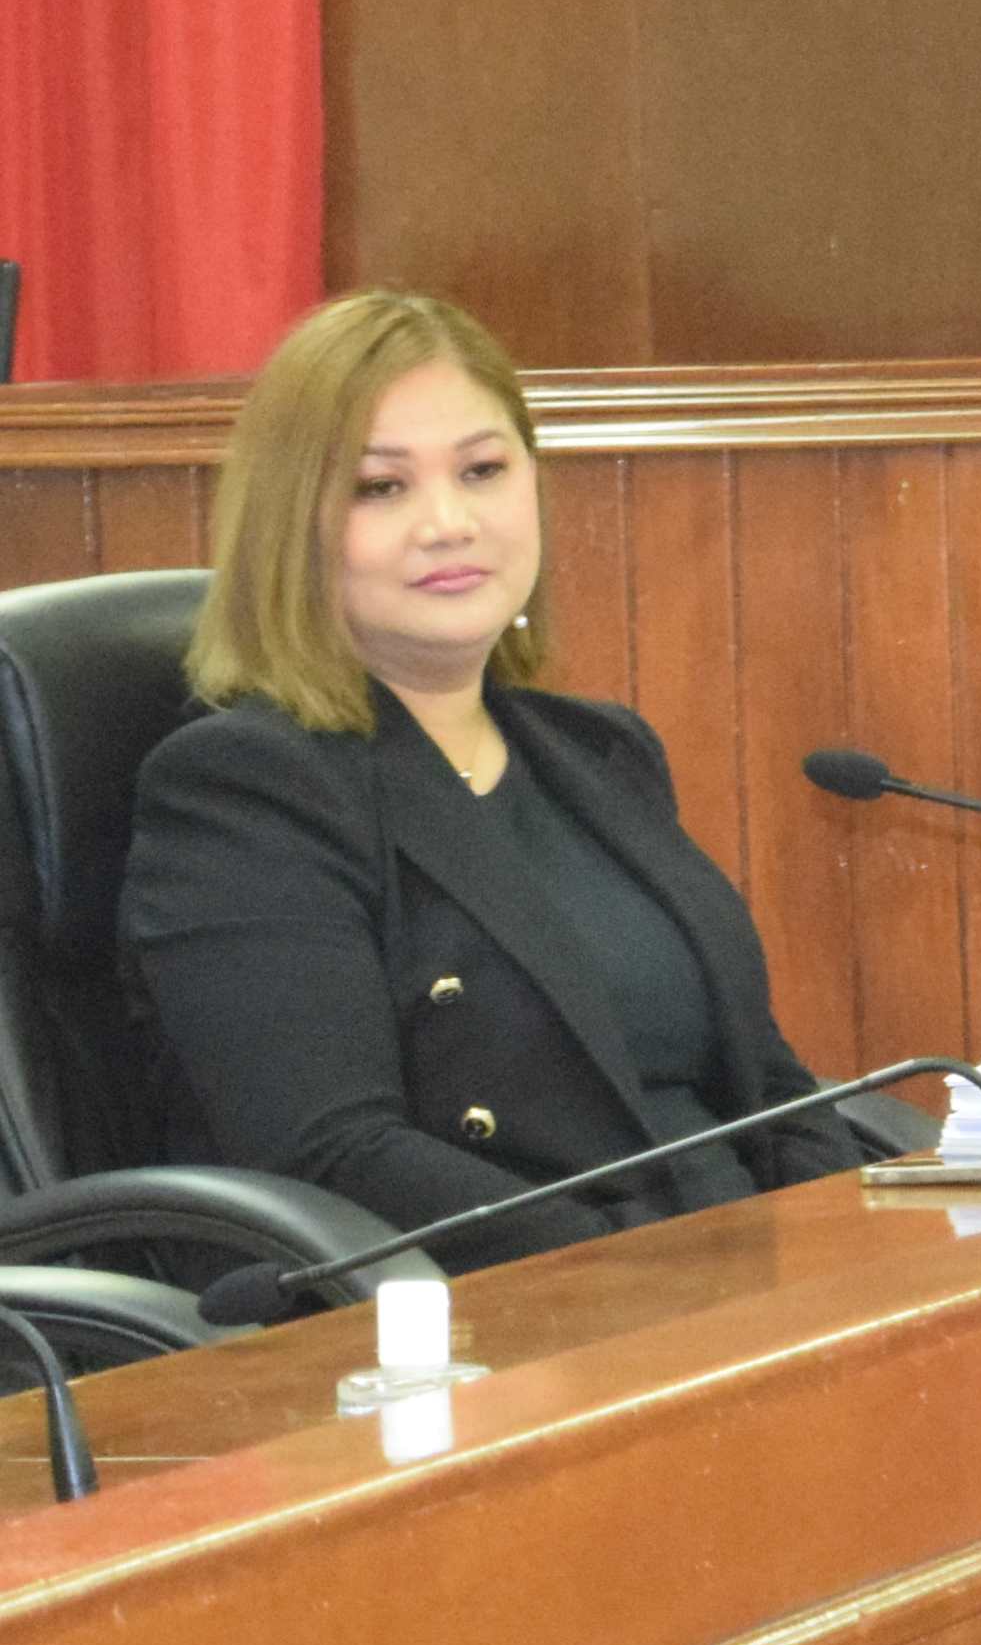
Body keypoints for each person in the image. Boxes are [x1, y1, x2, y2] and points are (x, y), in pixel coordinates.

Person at [125, 290, 888, 1262]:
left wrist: (853, 1249)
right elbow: (334, 1157)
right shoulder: (246, 785)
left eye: (482, 471)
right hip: (501, 1310)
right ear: (292, 528)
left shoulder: (601, 753)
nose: (449, 522)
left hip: (727, 1278)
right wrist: (637, 1277)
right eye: (381, 488)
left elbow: (765, 1084)